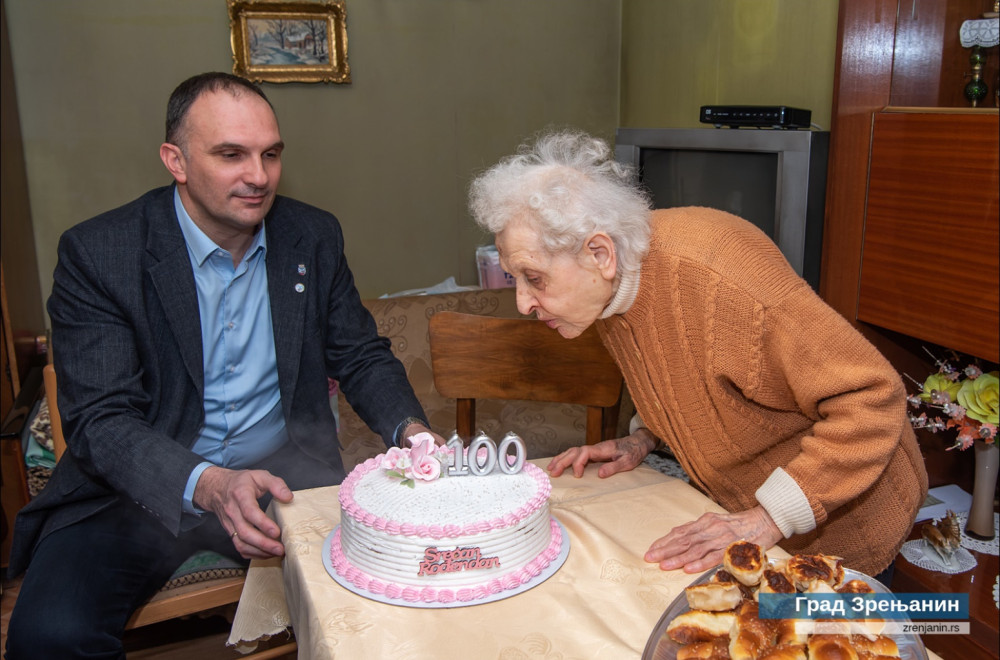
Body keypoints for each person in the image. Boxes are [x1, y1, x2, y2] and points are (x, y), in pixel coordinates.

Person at [5, 72, 437, 659]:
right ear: (175, 160)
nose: (258, 177)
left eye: (270, 154)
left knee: (395, 584)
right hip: (132, 490)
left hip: (282, 479)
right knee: (50, 637)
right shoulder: (100, 254)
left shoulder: (310, 236)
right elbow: (101, 421)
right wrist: (208, 484)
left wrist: (411, 433)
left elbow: (359, 354)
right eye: (231, 155)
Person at [468, 129, 927, 582]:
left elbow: (872, 396)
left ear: (600, 254)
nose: (523, 303)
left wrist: (765, 519)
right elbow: (695, 371)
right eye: (515, 278)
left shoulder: (722, 275)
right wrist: (646, 437)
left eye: (535, 278)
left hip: (845, 535)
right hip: (744, 521)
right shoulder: (606, 288)